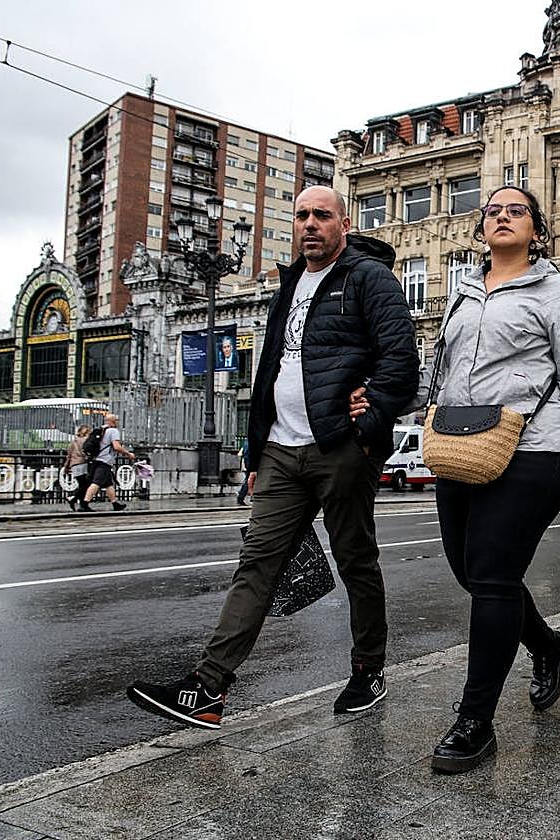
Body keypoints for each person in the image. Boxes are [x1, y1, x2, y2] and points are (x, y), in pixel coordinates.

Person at [127, 186, 419, 729]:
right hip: (281, 450)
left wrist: (369, 424)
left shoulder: (368, 277)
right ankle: (208, 688)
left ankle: (368, 670)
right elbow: (267, 372)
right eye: (302, 215)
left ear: (344, 223)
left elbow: (402, 361)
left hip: (339, 449)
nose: (310, 224)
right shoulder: (289, 283)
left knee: (355, 559)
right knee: (257, 562)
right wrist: (254, 447)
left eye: (322, 215)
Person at [355, 186, 560, 773]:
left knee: (494, 575)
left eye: (516, 209)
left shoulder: (558, 293)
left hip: (535, 446)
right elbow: (442, 374)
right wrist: (382, 401)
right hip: (461, 445)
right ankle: (548, 645)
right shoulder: (462, 294)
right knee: (472, 573)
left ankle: (476, 719)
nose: (501, 215)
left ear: (537, 231)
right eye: (492, 211)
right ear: (480, 231)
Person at [79, 413, 136, 512]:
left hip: (96, 459)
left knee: (108, 484)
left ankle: (115, 503)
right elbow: (116, 446)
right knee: (96, 483)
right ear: (113, 422)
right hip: (104, 461)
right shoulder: (113, 431)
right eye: (117, 420)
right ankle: (84, 504)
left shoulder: (102, 430)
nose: (118, 422)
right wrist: (128, 454)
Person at [63, 424, 92, 512]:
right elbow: (87, 453)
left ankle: (82, 505)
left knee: (82, 485)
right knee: (86, 485)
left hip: (74, 465)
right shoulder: (86, 440)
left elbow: (69, 455)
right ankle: (74, 499)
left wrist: (66, 467)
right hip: (83, 464)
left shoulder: (73, 441)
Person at [235, 437, 250, 506]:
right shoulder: (251, 440)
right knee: (248, 480)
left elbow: (241, 453)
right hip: (250, 464)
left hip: (247, 463)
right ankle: (241, 496)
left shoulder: (246, 441)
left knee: (248, 480)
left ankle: (241, 496)